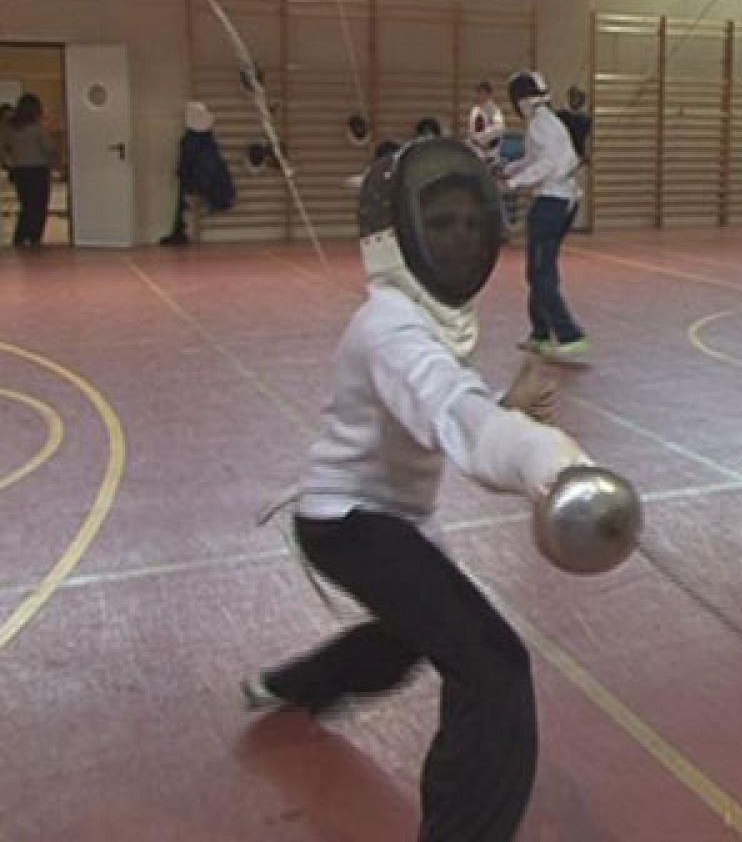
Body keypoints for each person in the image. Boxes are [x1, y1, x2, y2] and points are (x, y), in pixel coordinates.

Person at [243, 136, 590, 841]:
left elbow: (447, 401)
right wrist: (546, 458)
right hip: (348, 521)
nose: (461, 237)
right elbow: (449, 411)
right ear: (396, 235)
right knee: (492, 668)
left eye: (470, 222)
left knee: (408, 636)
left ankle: (289, 685)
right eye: (441, 223)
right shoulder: (389, 329)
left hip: (386, 519)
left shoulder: (421, 324)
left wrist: (505, 406)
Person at [503, 69, 588, 361]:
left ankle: (569, 335)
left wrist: (514, 183)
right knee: (539, 271)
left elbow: (548, 165)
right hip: (561, 201)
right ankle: (540, 333)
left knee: (541, 273)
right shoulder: (544, 122)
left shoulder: (542, 123)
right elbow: (534, 159)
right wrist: (509, 169)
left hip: (552, 203)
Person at [161, 102, 235, 246]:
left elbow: (197, 161)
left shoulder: (197, 140)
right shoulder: (200, 138)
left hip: (197, 176)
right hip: (194, 175)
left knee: (187, 202)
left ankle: (181, 230)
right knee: (184, 204)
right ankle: (180, 231)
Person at [2, 94, 58, 249]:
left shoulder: (10, 128)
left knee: (26, 205)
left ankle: (20, 238)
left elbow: (6, 149)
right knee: (39, 206)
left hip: (20, 170)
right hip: (37, 170)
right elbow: (49, 147)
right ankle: (34, 238)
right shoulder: (37, 128)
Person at [467, 80, 506, 164]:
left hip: (489, 151)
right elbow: (472, 131)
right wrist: (472, 139)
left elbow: (499, 129)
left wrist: (480, 139)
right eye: (478, 93)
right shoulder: (475, 110)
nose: (479, 95)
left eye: (482, 93)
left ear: (489, 95)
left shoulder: (494, 110)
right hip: (475, 148)